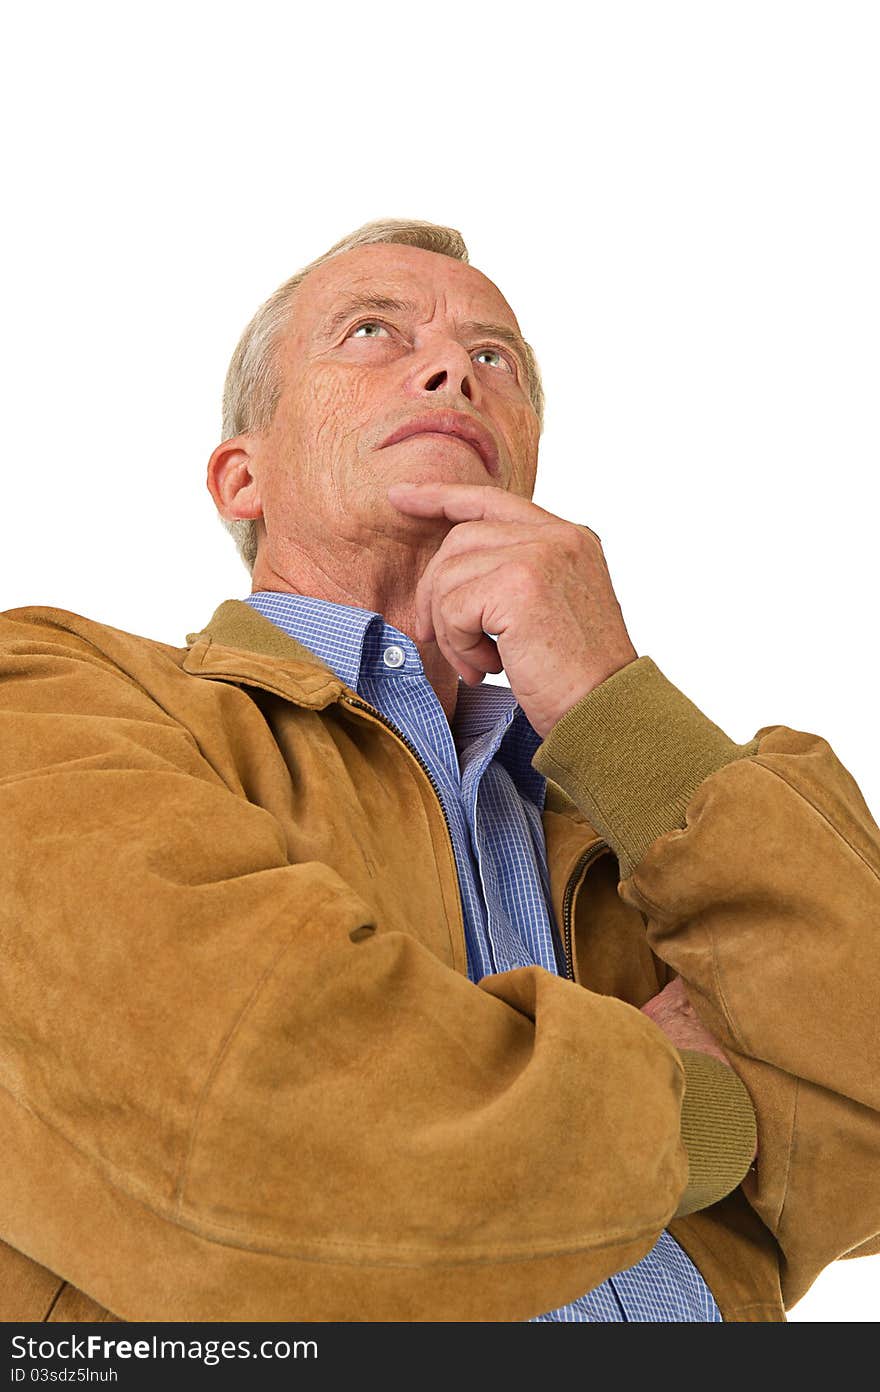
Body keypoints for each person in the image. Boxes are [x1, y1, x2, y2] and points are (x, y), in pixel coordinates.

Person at [1, 217, 878, 1325]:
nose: (452, 368)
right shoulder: (56, 693)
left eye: (495, 357)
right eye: (370, 332)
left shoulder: (640, 808)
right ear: (240, 477)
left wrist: (613, 702)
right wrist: (705, 1107)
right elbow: (268, 1138)